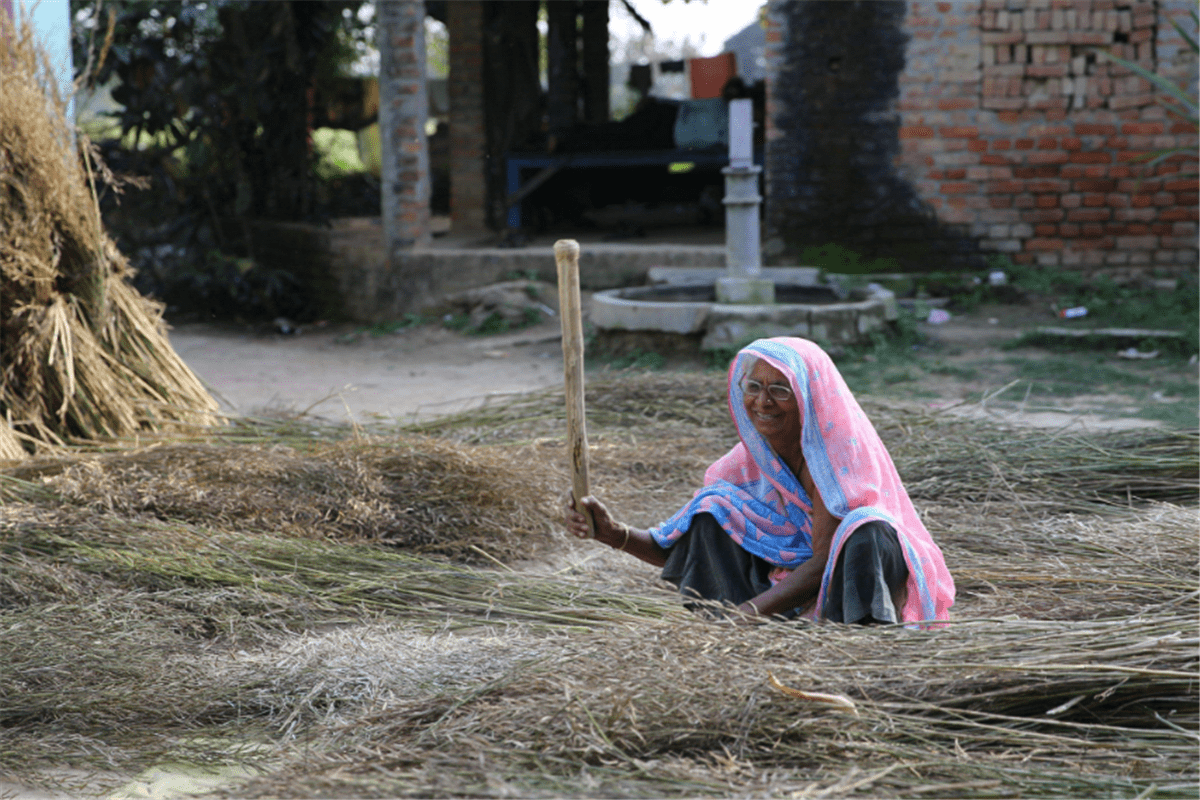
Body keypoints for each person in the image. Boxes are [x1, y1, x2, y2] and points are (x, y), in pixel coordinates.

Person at [564, 337, 955, 624]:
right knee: (713, 510)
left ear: (807, 398)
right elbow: (683, 548)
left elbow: (824, 561)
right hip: (768, 609)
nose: (763, 402)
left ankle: (855, 637)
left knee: (865, 528)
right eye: (754, 387)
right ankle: (745, 628)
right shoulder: (747, 463)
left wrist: (747, 614)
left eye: (780, 390)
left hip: (842, 601)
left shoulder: (841, 458)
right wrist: (615, 535)